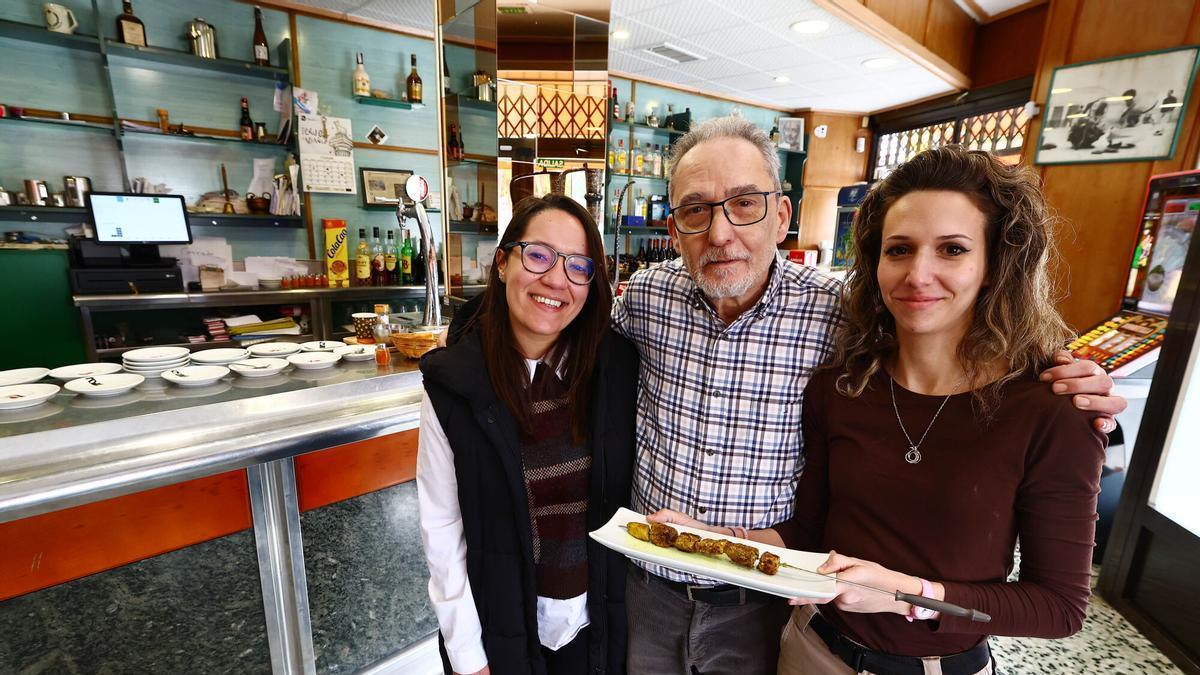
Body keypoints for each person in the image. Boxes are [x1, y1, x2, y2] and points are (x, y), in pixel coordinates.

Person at [615, 116, 1125, 673]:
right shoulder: (651, 301)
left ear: (783, 216)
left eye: (744, 204)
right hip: (684, 595)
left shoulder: (837, 317)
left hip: (772, 607)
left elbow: (1059, 603)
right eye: (899, 250)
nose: (719, 233)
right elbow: (813, 522)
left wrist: (1066, 371)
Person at [417, 194, 639, 675]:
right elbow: (441, 527)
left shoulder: (614, 370)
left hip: (596, 625)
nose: (556, 280)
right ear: (502, 262)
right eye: (538, 255)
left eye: (578, 266)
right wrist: (467, 655)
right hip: (500, 630)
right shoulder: (454, 383)